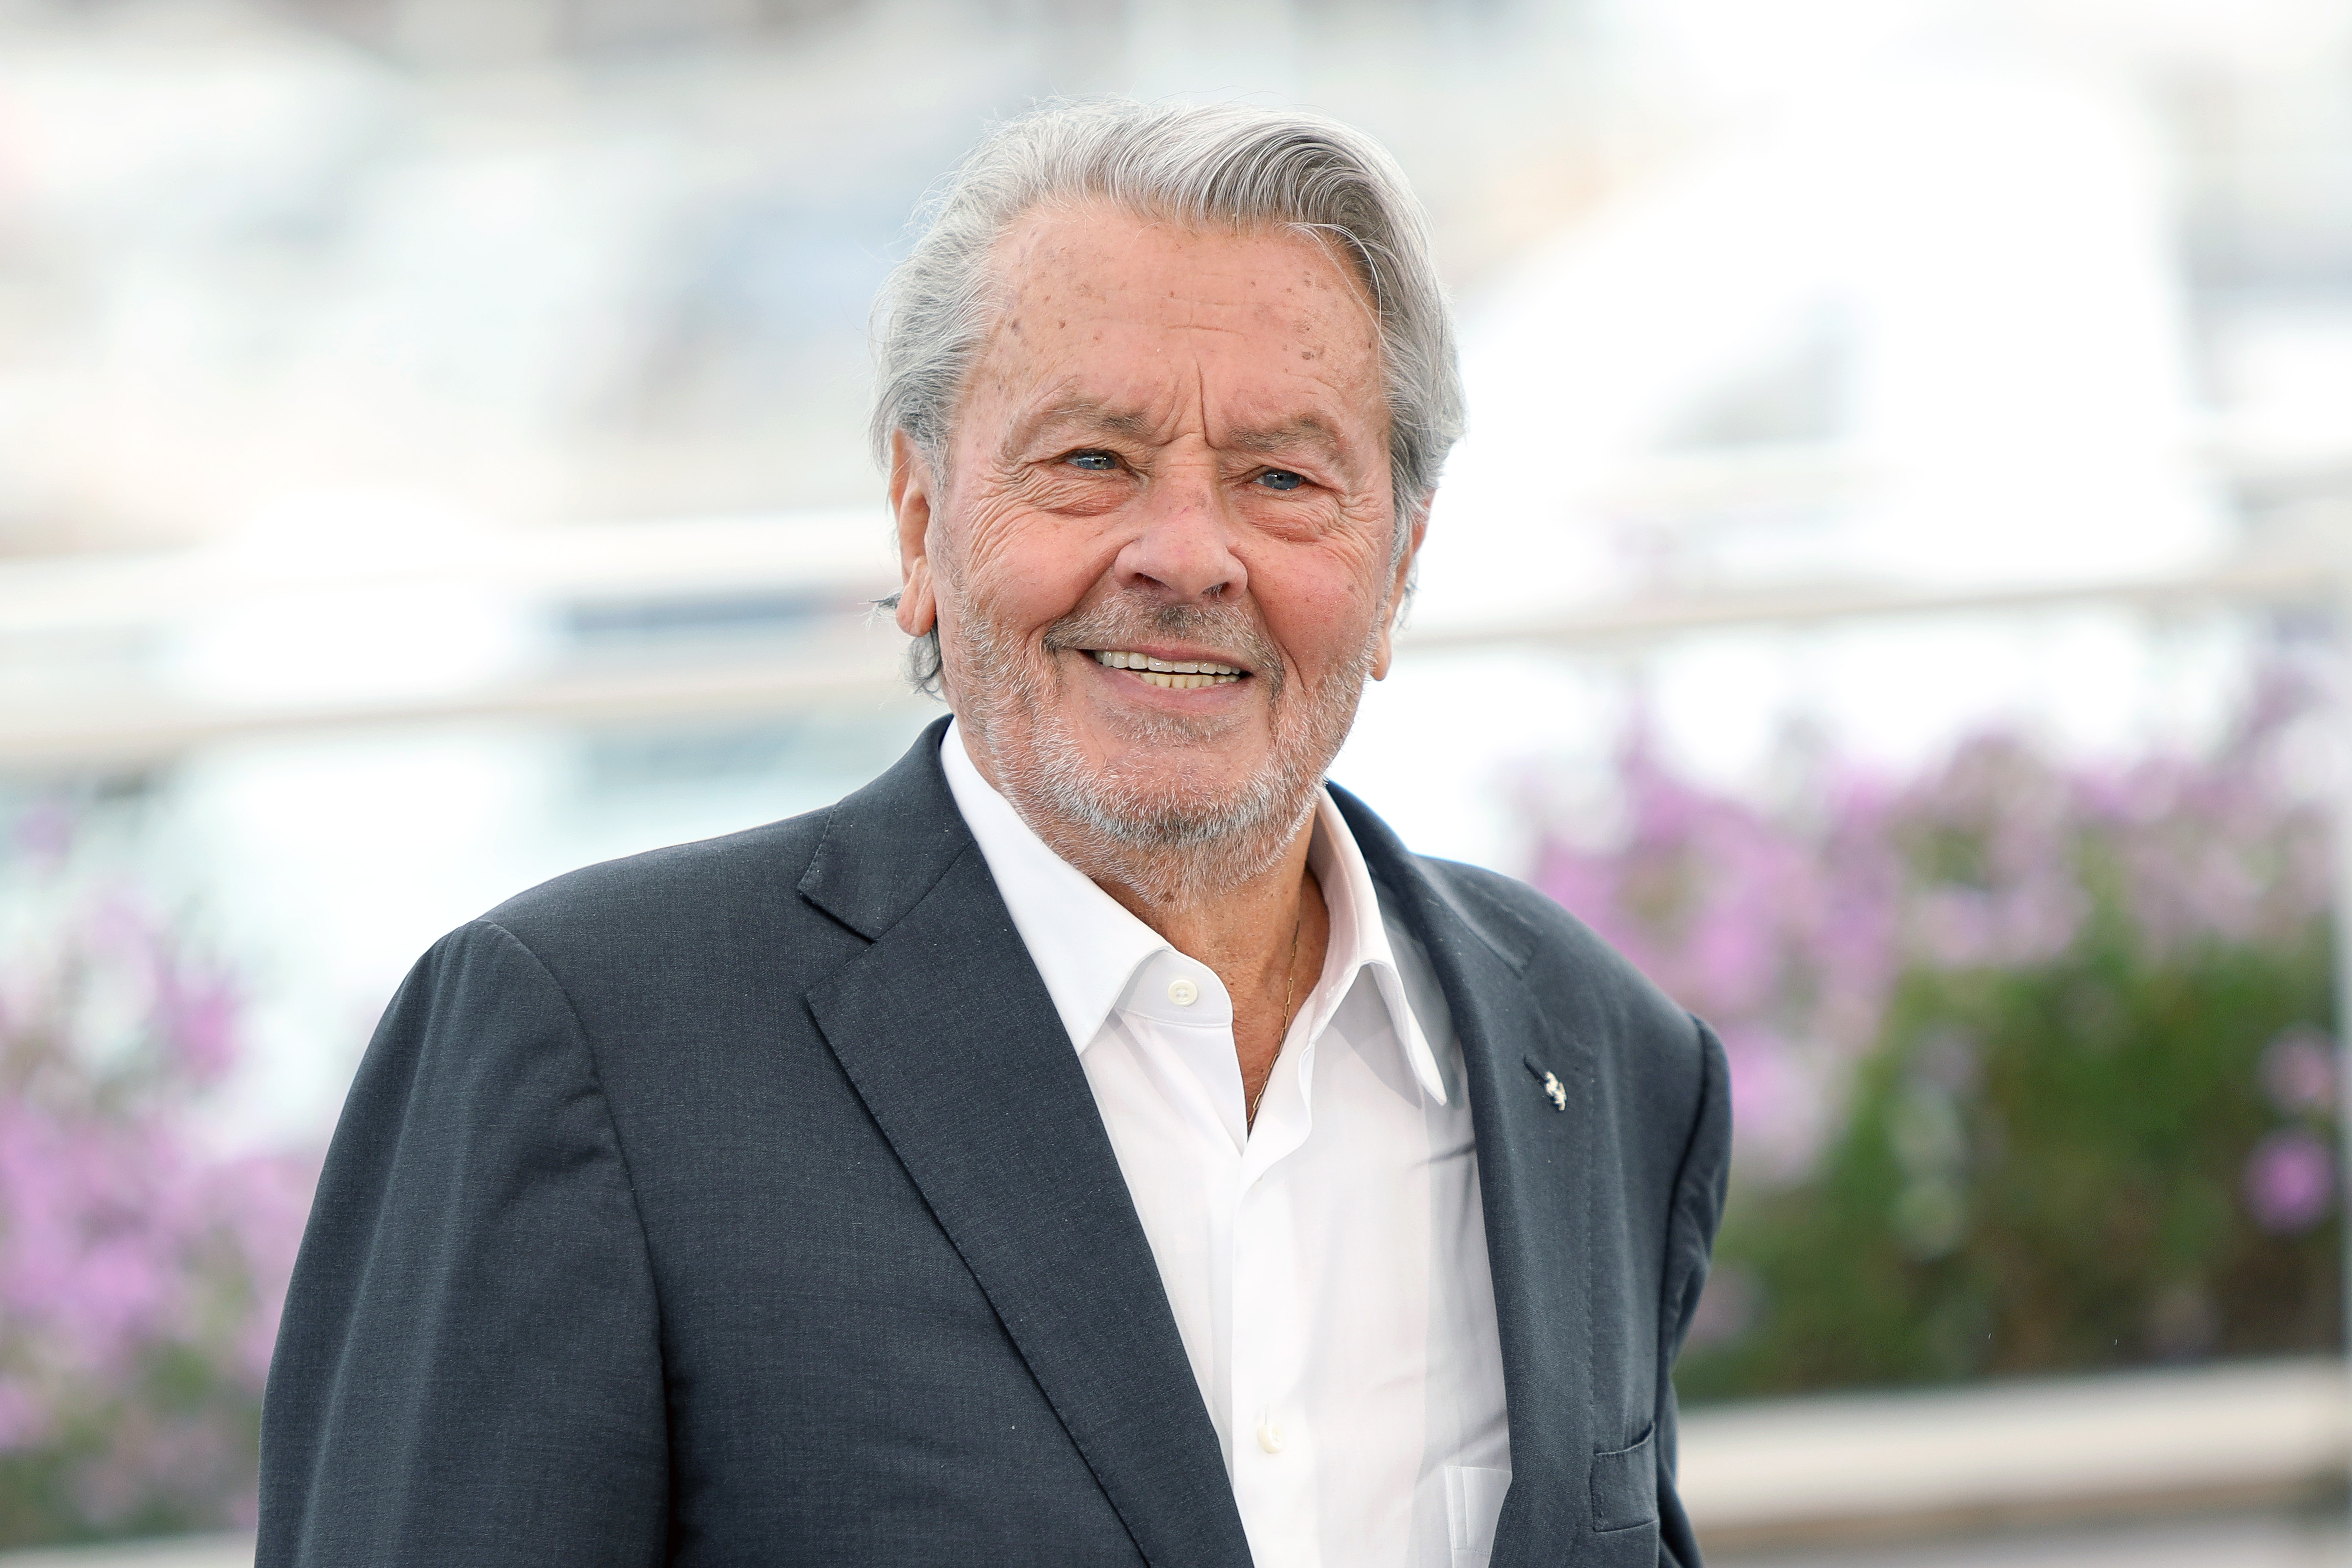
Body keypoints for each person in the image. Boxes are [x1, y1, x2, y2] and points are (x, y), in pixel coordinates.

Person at [258, 98, 1729, 1568]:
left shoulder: (1603, 1057)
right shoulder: (586, 1048)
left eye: (1283, 478)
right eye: (1091, 460)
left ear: (1399, 563)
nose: (1186, 555)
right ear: (918, 521)